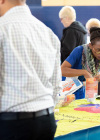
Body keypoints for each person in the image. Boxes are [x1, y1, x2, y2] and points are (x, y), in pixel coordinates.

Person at [0, 0, 62, 140]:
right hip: (46, 120)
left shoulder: (2, 28)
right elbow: (56, 85)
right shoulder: (47, 32)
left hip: (12, 123)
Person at [61, 27, 100, 99]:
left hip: (82, 90)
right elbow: (62, 70)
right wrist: (84, 72)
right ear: (90, 45)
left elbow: (98, 79)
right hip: (67, 90)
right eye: (98, 49)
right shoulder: (79, 51)